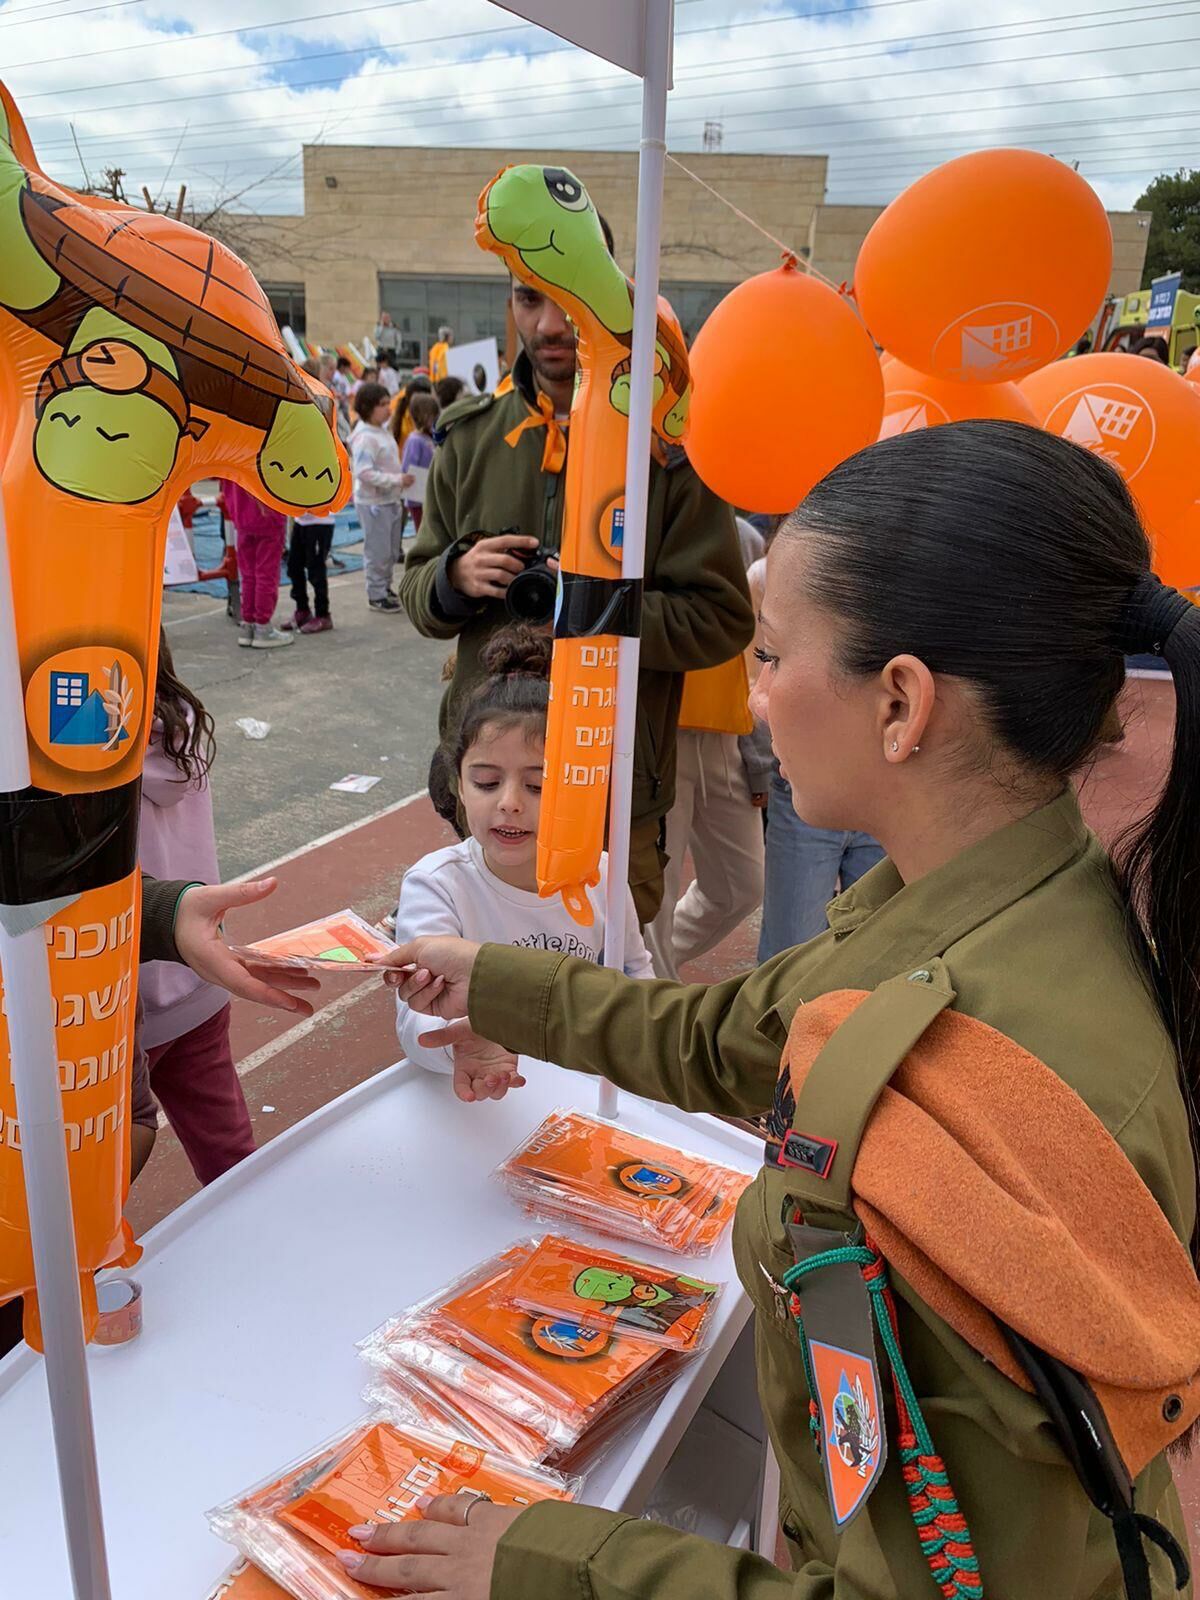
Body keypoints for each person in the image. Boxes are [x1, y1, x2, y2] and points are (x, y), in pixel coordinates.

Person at [364, 419, 1200, 1598]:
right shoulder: (985, 902)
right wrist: (490, 978)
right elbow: (734, 1036)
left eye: (769, 655)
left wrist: (552, 1560)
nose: (753, 700)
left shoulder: (984, 1094)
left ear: (901, 703)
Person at [400, 238, 753, 924]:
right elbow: (417, 589)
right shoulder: (471, 439)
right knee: (485, 960)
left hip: (614, 782)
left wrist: (597, 608)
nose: (550, 324)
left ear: (607, 295)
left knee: (603, 971)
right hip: (490, 776)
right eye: (530, 299)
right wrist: (456, 575)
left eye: (569, 300)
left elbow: (722, 617)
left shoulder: (666, 451)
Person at [393, 627, 652, 1094]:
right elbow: (416, 1018)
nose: (510, 803)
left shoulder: (601, 872)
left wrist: (644, 1048)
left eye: (537, 785)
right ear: (458, 784)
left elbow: (634, 971)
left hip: (586, 1093)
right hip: (490, 1105)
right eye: (487, 782)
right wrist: (464, 1044)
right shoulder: (436, 886)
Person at [139, 629, 256, 1183]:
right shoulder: (183, 725)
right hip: (201, 972)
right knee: (230, 1153)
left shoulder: (79, 756)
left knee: (87, 1176)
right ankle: (258, 1227)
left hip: (114, 1005)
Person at [747, 523, 883, 958]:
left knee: (876, 953)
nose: (759, 700)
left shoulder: (896, 584)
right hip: (803, 777)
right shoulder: (770, 575)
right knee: (791, 953)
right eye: (770, 657)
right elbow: (756, 684)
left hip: (884, 782)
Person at [645, 516, 767, 979]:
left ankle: (640, 969)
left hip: (726, 730)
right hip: (658, 728)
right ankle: (651, 987)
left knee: (742, 885)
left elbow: (754, 638)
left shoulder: (743, 536)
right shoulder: (651, 521)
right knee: (654, 891)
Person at [352, 380, 411, 614]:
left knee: (390, 550)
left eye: (389, 403)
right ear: (368, 407)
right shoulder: (365, 437)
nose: (388, 408)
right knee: (378, 552)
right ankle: (376, 594)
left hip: (389, 500)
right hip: (374, 503)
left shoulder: (381, 431)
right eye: (383, 404)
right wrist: (396, 480)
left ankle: (384, 587)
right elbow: (363, 472)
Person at [222, 479, 292, 649]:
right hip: (268, 516)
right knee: (266, 574)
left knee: (248, 575)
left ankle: (248, 623)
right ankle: (262, 626)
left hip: (242, 517)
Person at [399, 391, 438, 536]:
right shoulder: (415, 440)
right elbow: (408, 468)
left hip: (429, 495)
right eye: (432, 416)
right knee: (423, 532)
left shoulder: (430, 437)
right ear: (424, 416)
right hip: (418, 497)